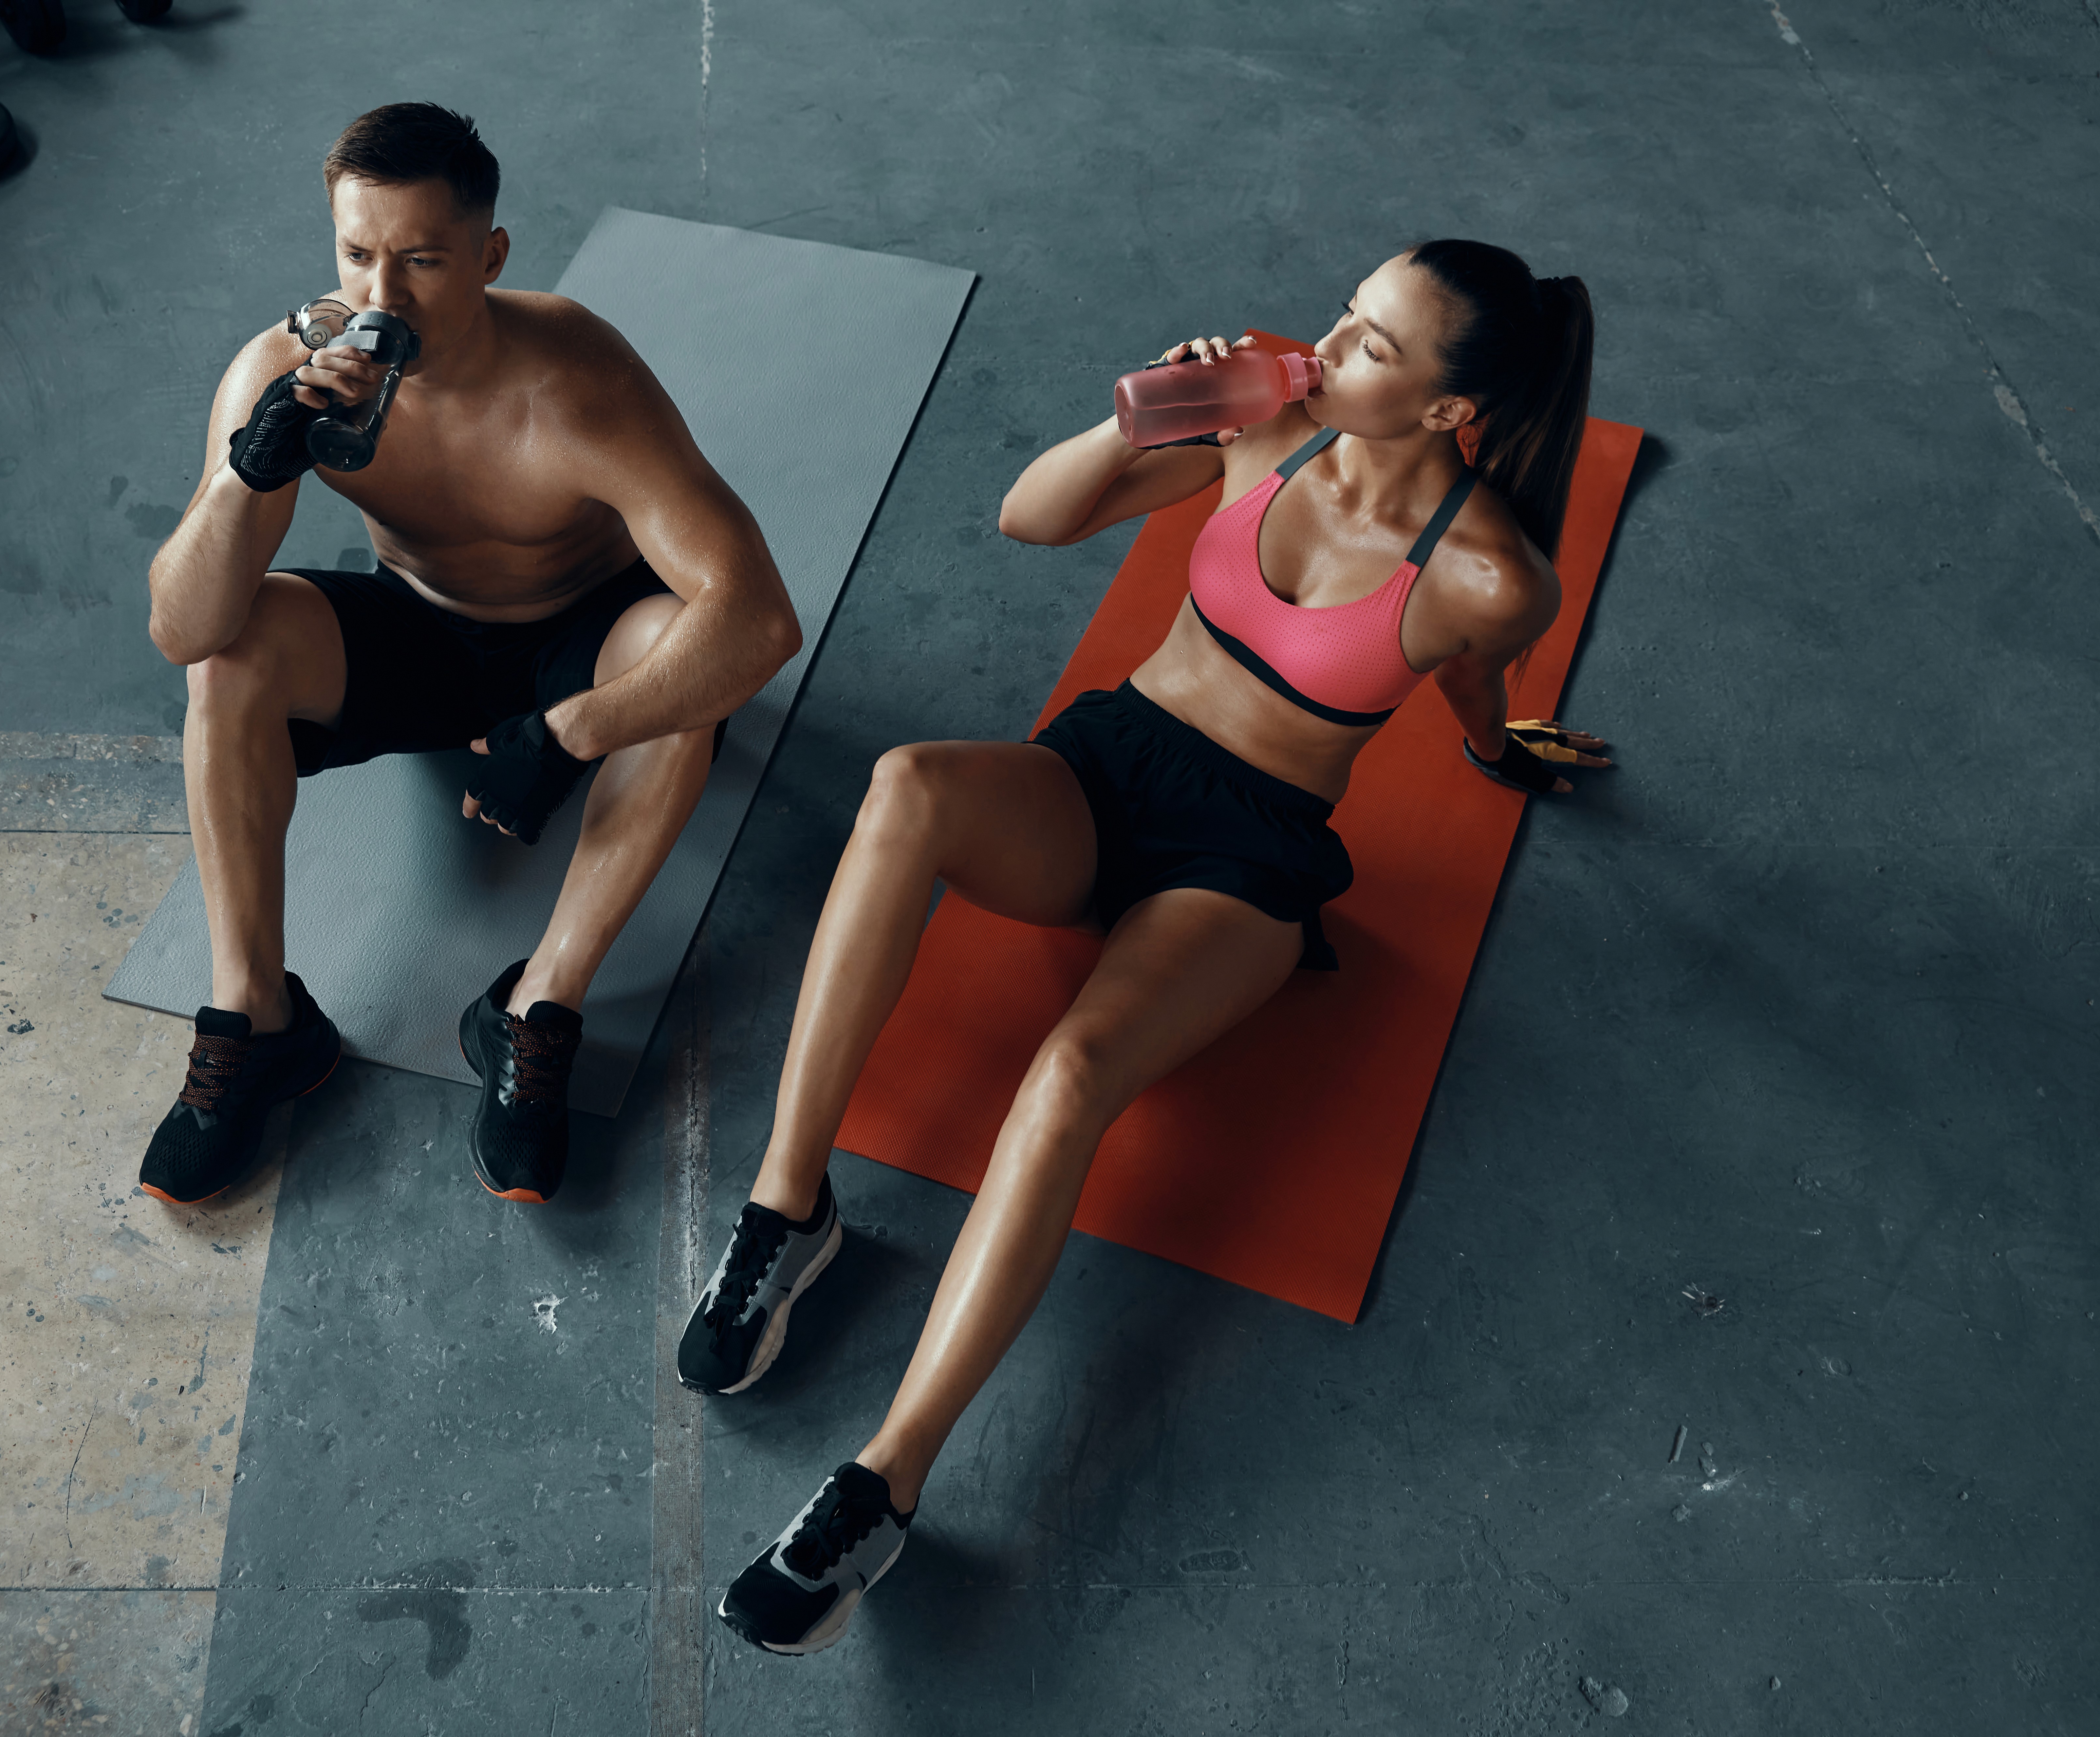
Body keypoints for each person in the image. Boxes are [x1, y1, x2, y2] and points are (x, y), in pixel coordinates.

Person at [683, 240, 1609, 1654]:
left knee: (1068, 1079)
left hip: (1245, 862)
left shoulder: (1487, 574)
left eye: (1373, 343)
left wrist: (1504, 754)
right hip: (1107, 770)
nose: (1327, 340)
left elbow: (1479, 685)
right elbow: (1025, 521)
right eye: (1346, 311)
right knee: (908, 786)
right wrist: (1140, 416)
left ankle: (883, 1483)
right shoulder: (1261, 424)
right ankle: (785, 1207)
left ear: (1442, 410)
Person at [137, 103, 800, 1210]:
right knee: (232, 656)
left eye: (423, 261)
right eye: (358, 255)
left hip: (582, 639)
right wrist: (251, 471)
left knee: (686, 657)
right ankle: (258, 1023)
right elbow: (181, 629)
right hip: (421, 629)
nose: (381, 298)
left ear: (490, 257)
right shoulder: (285, 368)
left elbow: (760, 620)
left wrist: (571, 730)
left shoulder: (576, 380)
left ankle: (535, 1007)